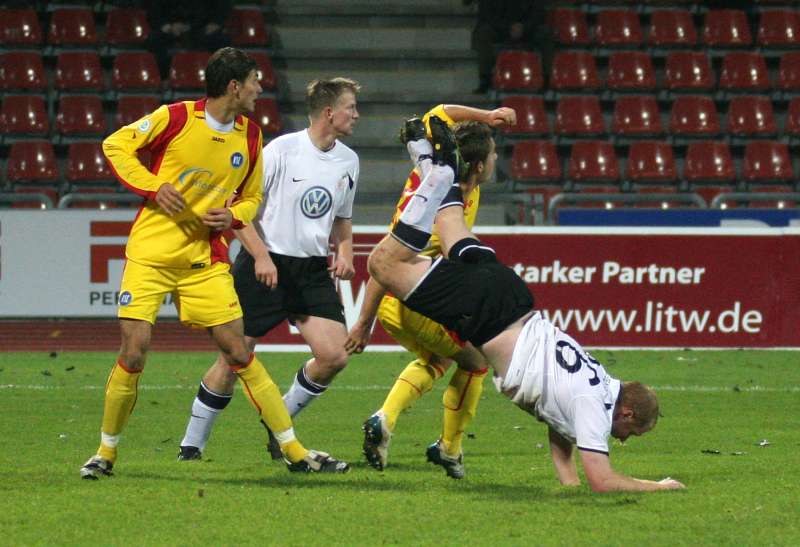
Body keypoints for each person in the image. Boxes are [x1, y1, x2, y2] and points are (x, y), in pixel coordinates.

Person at [363, 117, 686, 492]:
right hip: (488, 315)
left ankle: (431, 164)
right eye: (632, 432)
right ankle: (433, 178)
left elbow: (560, 425)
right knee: (382, 265)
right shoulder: (594, 408)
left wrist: (568, 484)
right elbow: (604, 481)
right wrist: (660, 486)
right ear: (626, 412)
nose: (625, 440)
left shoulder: (598, 384)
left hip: (510, 294)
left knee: (450, 221)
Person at [80, 48, 348, 479]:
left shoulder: (252, 136)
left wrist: (235, 216)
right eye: (255, 82)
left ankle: (294, 451)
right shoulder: (177, 118)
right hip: (150, 256)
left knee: (239, 351)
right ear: (234, 86)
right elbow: (115, 145)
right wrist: (154, 186)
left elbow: (252, 197)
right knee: (134, 352)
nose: (261, 89)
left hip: (205, 260)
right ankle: (105, 453)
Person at [177, 77, 361, 461]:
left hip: (310, 270)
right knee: (234, 358)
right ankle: (191, 446)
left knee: (334, 356)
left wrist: (345, 252)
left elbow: (342, 219)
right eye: (351, 107)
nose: (356, 115)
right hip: (265, 262)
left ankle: (278, 425)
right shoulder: (280, 151)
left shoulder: (349, 160)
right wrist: (260, 257)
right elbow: (241, 211)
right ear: (329, 112)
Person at [344, 103, 516, 478]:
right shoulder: (440, 209)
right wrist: (362, 323)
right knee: (475, 363)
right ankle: (450, 449)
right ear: (478, 167)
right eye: (492, 154)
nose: (496, 158)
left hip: (402, 305)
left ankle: (384, 420)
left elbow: (436, 114)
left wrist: (487, 118)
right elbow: (385, 265)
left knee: (438, 361)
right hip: (411, 300)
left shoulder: (436, 177)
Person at [465, 0, 553, 93]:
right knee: (483, 33)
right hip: (499, 28)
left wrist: (524, 27)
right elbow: (486, 14)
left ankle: (547, 79)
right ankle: (485, 78)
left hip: (528, 29)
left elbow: (539, 12)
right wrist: (507, 28)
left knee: (546, 34)